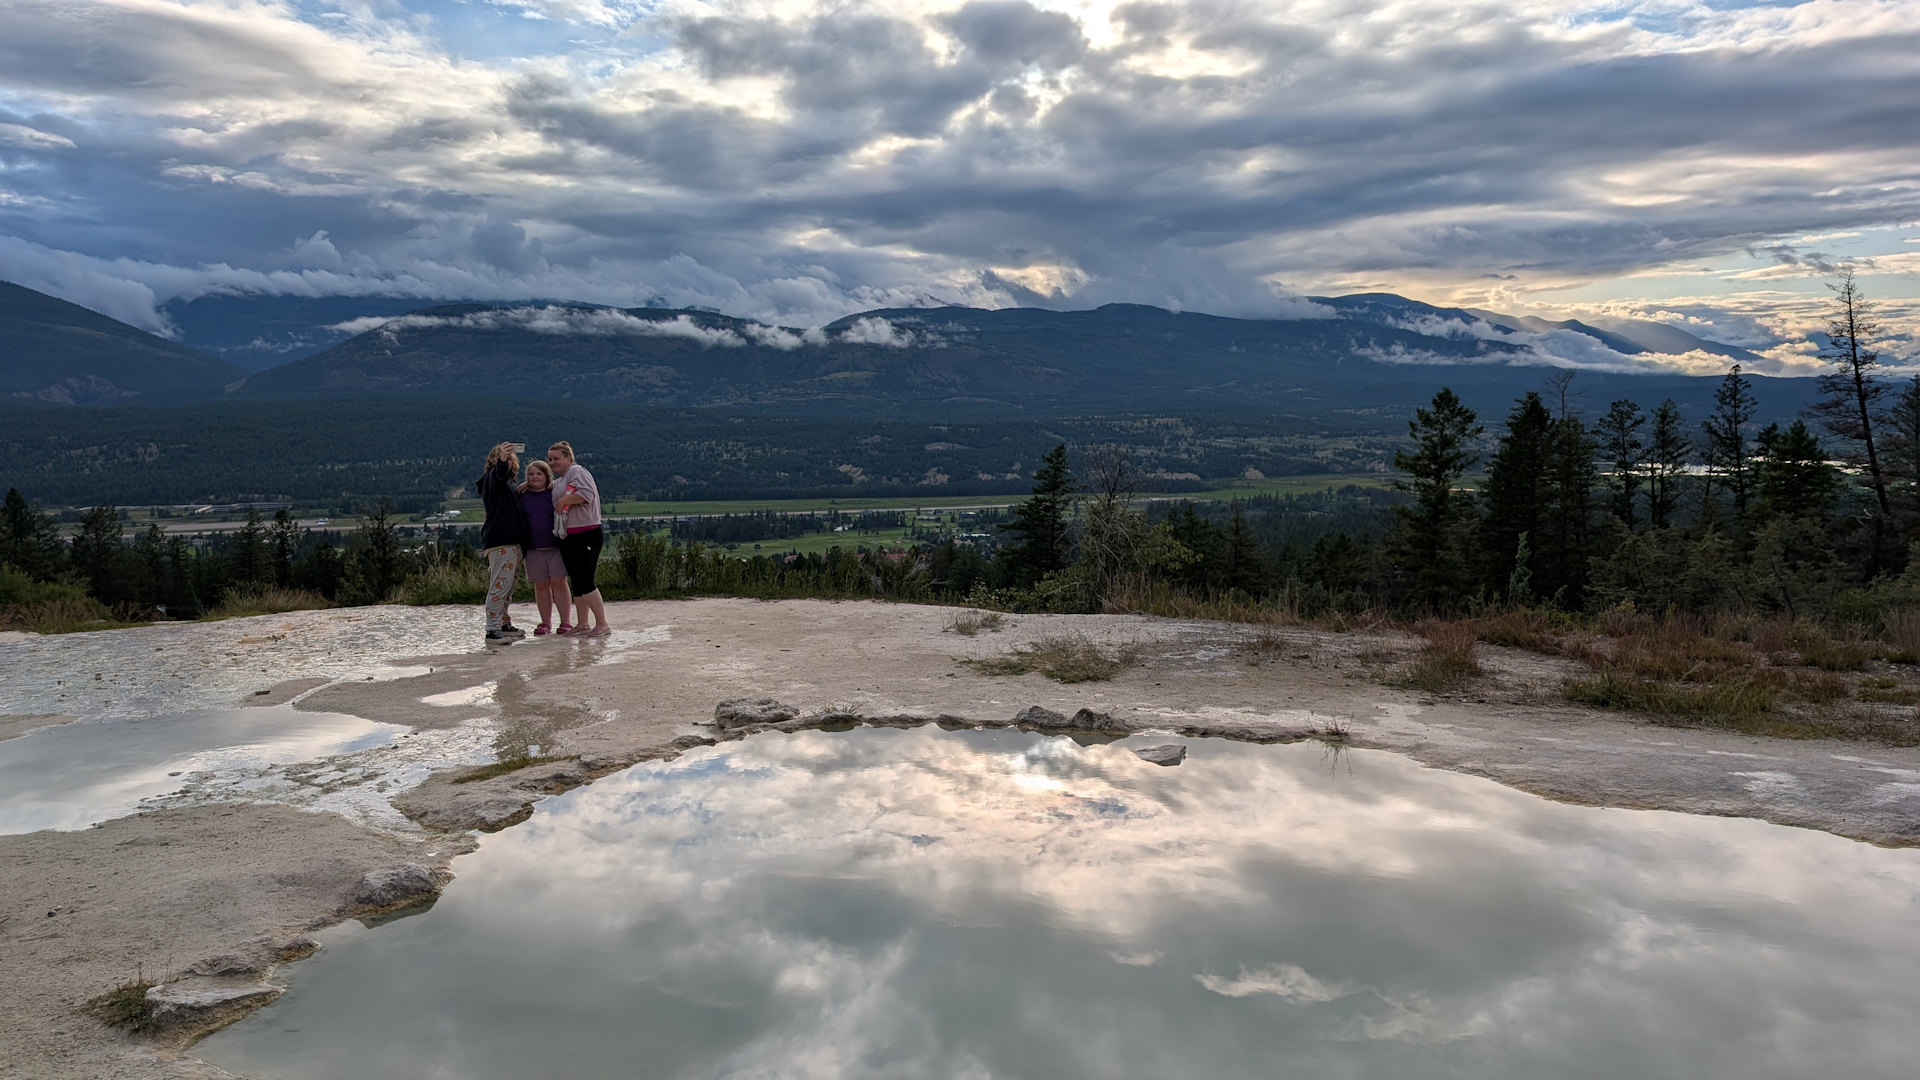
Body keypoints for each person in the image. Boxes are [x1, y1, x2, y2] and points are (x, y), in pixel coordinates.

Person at [547, 440, 611, 637]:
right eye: (550, 459)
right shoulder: (561, 480)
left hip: (586, 534)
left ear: (568, 458)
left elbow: (586, 494)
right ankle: (583, 623)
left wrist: (563, 501)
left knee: (585, 580)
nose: (552, 463)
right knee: (577, 581)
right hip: (569, 536)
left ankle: (602, 623)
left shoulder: (577, 472)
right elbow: (550, 487)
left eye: (556, 458)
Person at [477, 441, 528, 645]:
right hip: (501, 542)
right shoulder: (493, 478)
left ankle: (504, 623)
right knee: (499, 586)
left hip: (511, 542)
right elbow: (499, 474)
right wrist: (503, 460)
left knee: (507, 587)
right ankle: (492, 629)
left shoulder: (505, 486)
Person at [517, 459, 570, 635]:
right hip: (533, 548)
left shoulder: (554, 493)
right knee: (540, 585)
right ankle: (545, 623)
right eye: (531, 474)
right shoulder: (522, 495)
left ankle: (565, 622)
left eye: (539, 473)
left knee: (559, 582)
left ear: (546, 475)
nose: (534, 477)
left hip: (556, 546)